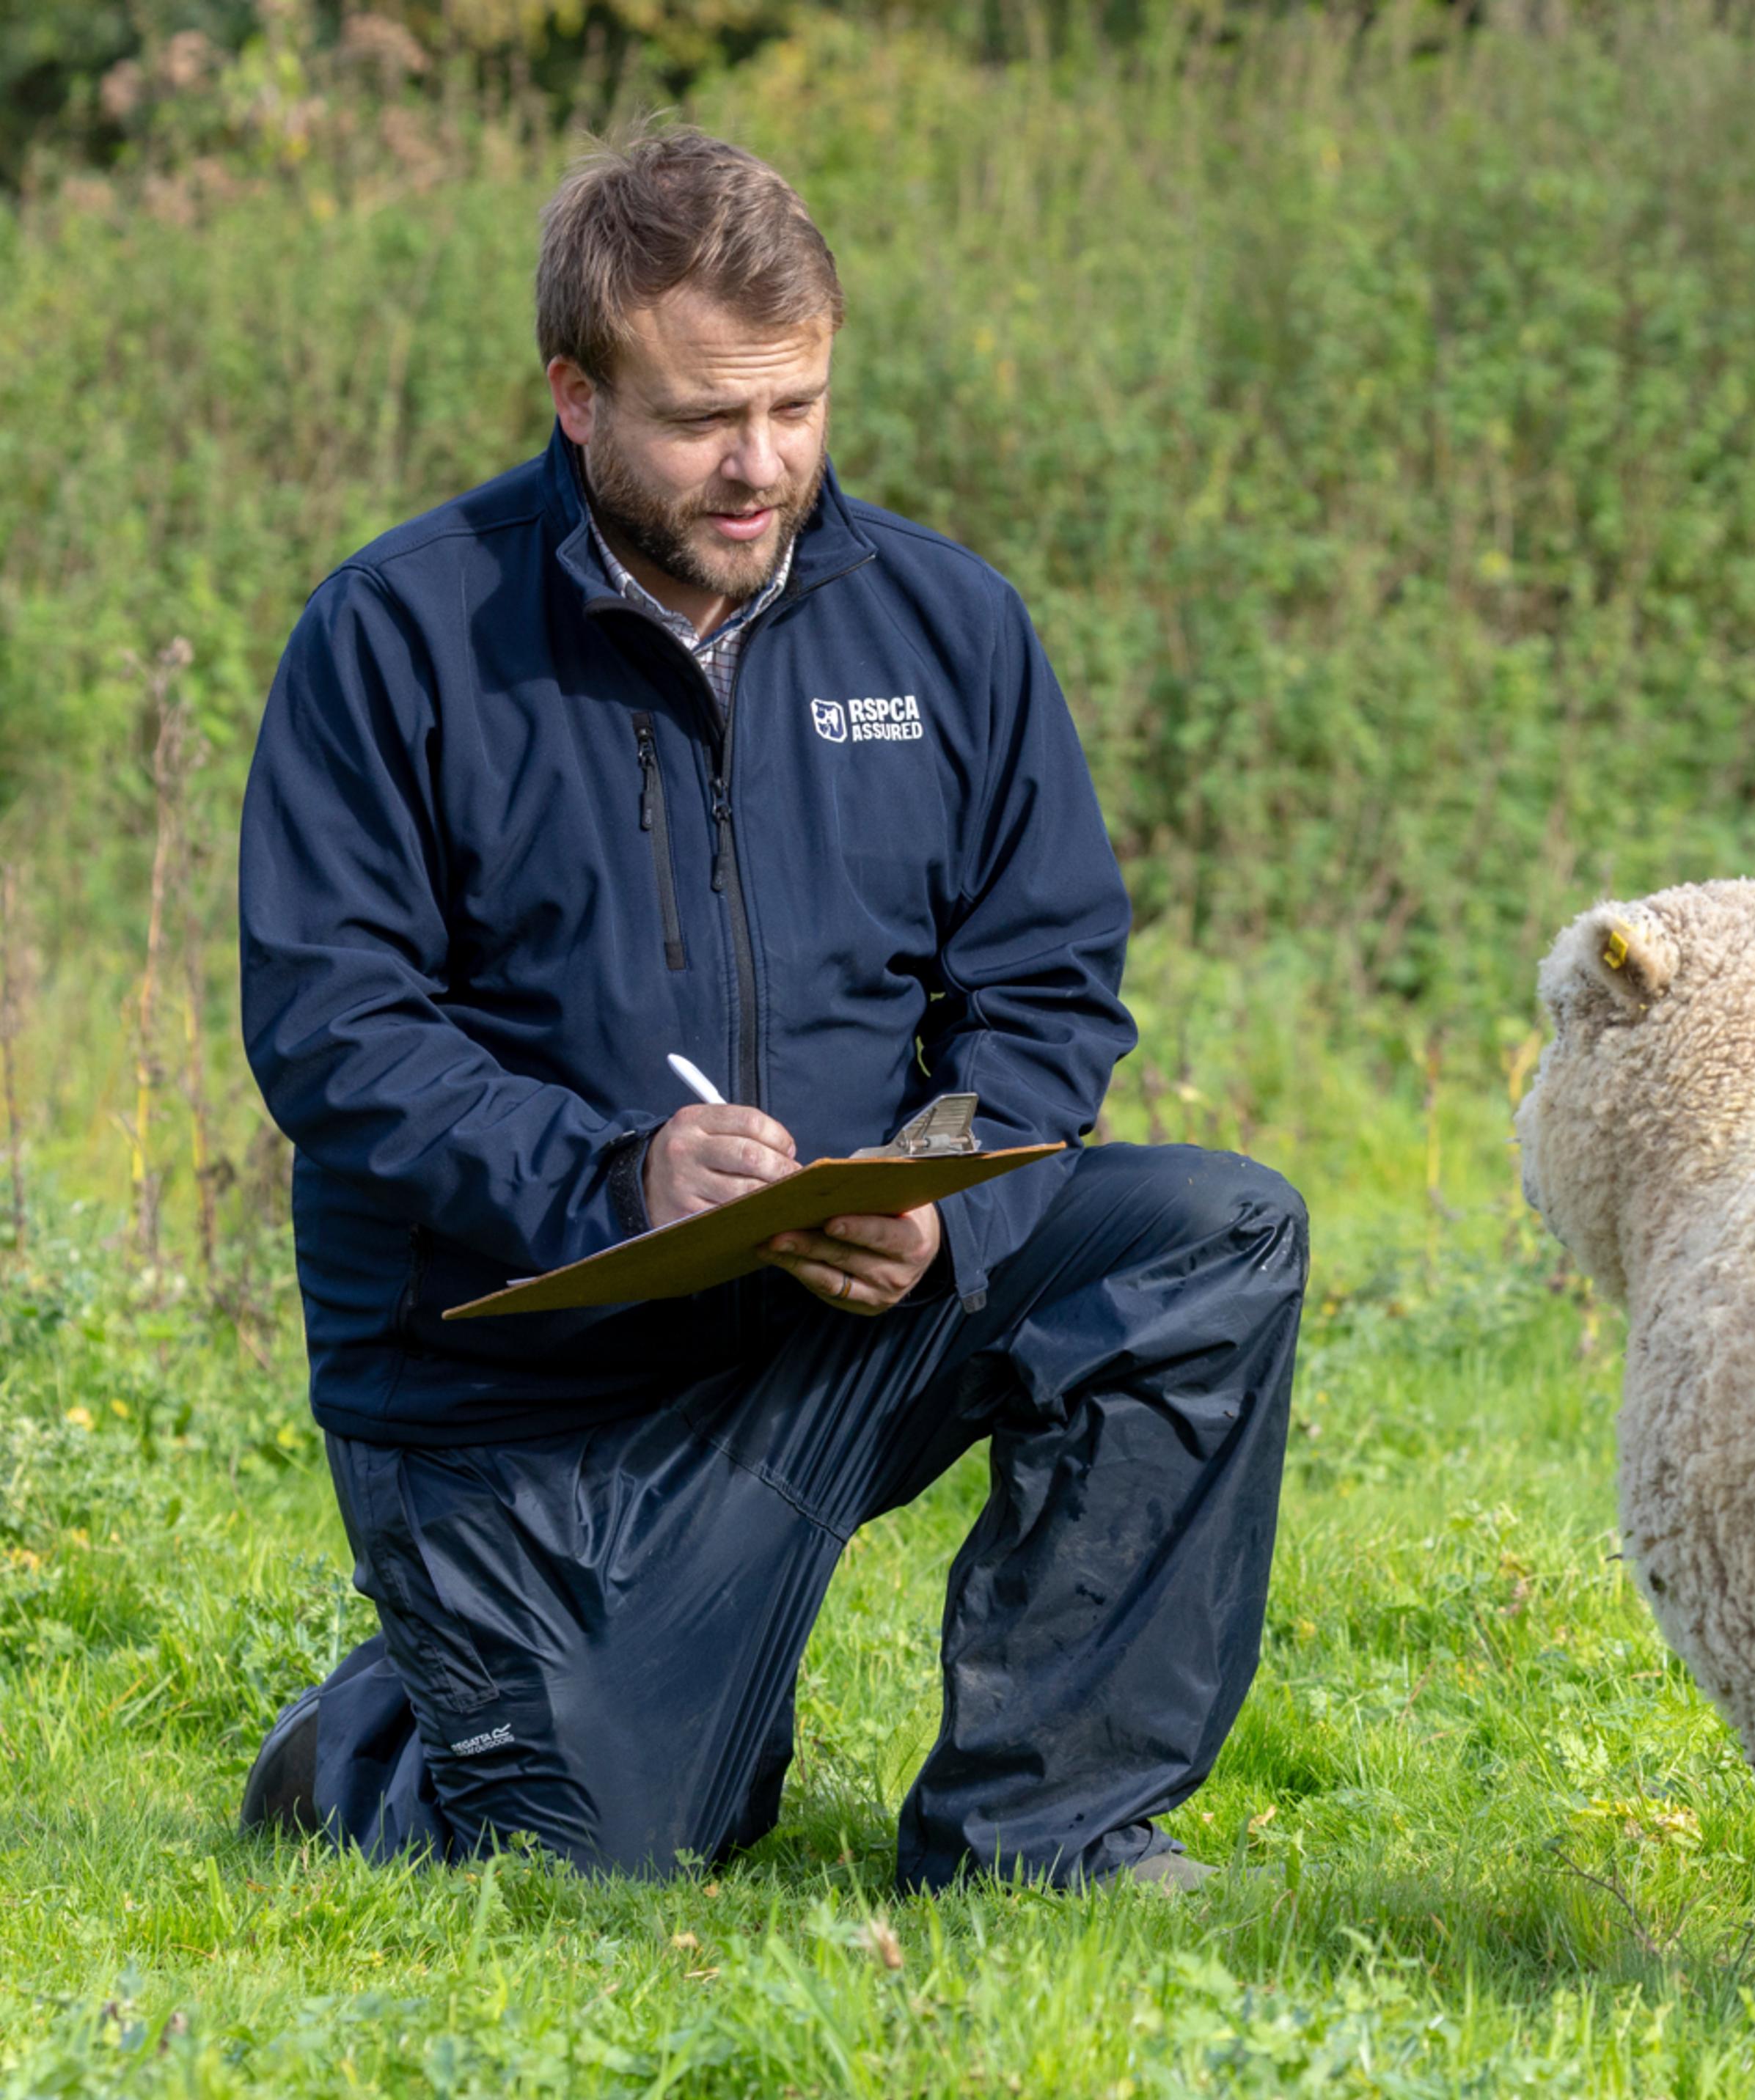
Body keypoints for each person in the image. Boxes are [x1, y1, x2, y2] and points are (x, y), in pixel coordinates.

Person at [232, 126, 1305, 1892]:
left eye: (797, 407)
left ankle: (1047, 1835)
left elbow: (1044, 984)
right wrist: (619, 1175)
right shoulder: (394, 637)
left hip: (823, 1318)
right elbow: (338, 1031)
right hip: (512, 1382)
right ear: (574, 396)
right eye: (703, 419)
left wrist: (946, 1200)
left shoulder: (947, 626)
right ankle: (373, 1741)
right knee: (611, 1854)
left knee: (1212, 1236)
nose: (761, 466)